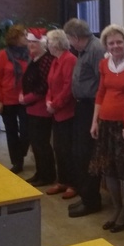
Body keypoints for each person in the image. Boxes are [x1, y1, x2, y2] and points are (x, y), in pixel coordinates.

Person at [89, 24, 124, 232]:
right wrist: (94, 121)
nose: (115, 45)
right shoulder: (104, 64)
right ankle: (117, 208)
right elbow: (100, 93)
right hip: (105, 124)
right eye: (111, 43)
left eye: (119, 41)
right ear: (106, 45)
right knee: (108, 169)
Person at [63, 18, 106, 218]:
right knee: (79, 153)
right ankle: (85, 195)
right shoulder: (83, 50)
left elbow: (102, 83)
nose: (69, 43)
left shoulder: (96, 49)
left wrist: (96, 117)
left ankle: (91, 200)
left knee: (87, 154)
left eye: (69, 38)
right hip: (82, 106)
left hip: (91, 107)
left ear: (76, 36)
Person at [19, 28, 55, 187]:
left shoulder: (46, 60)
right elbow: (28, 81)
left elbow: (44, 86)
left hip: (41, 109)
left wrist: (27, 98)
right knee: (35, 143)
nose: (31, 45)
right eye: (29, 42)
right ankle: (40, 172)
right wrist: (22, 94)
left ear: (42, 44)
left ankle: (47, 175)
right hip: (31, 108)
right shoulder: (34, 59)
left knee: (42, 144)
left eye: (34, 42)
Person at [44, 30, 77, 199]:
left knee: (68, 150)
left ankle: (73, 183)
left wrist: (55, 105)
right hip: (56, 112)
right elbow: (50, 85)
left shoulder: (69, 59)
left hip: (67, 112)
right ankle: (62, 180)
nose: (47, 45)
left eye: (49, 42)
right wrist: (48, 101)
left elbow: (68, 87)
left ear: (56, 43)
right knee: (58, 148)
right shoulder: (56, 60)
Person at [0, 24, 30, 173]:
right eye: (23, 35)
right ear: (15, 38)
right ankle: (17, 162)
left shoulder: (29, 53)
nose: (26, 37)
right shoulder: (3, 54)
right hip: (7, 99)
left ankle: (20, 152)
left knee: (27, 131)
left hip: (25, 99)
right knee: (11, 132)